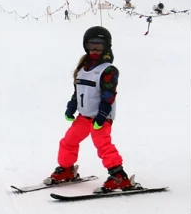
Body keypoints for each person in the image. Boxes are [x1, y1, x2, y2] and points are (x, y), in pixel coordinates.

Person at [45, 26, 133, 191]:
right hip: (84, 117)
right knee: (68, 141)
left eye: (98, 46)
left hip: (101, 118)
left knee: (102, 144)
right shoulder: (82, 69)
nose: (94, 50)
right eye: (91, 46)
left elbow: (109, 95)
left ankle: (119, 176)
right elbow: (78, 91)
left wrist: (102, 115)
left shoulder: (108, 70)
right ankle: (66, 170)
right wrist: (71, 106)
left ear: (106, 47)